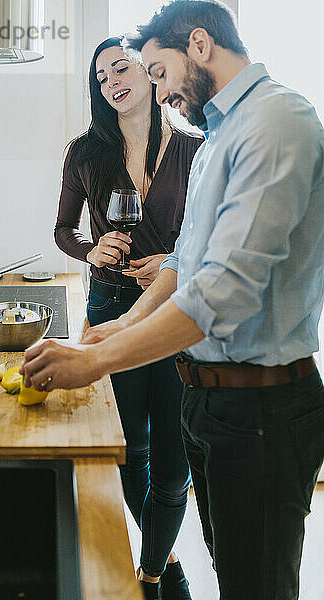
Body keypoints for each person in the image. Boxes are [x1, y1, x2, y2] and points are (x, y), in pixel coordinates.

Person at [21, 2, 324, 599]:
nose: (156, 93)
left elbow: (223, 291)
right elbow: (186, 262)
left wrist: (96, 361)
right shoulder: (219, 137)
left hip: (261, 409)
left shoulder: (276, 121)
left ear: (200, 46)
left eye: (156, 73)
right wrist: (119, 325)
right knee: (234, 575)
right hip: (211, 400)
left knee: (257, 584)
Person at [53, 36, 204, 599]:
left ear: (147, 73)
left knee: (173, 458)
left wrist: (172, 261)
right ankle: (163, 565)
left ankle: (153, 567)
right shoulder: (86, 153)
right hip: (110, 306)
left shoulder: (195, 148)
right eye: (101, 78)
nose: (112, 81)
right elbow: (64, 231)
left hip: (173, 311)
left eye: (121, 68)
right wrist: (89, 251)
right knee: (126, 451)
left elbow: (204, 235)